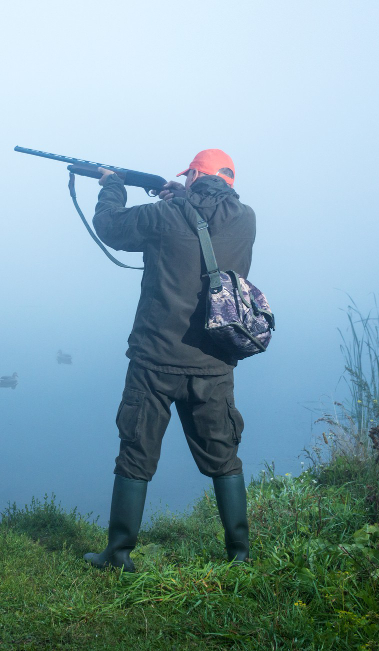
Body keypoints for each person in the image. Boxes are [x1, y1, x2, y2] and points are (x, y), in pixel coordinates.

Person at [83, 149, 255, 572]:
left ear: (194, 174)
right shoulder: (246, 218)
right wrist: (181, 194)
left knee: (136, 454)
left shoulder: (164, 217)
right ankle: (239, 555)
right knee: (224, 457)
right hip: (214, 362)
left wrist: (111, 186)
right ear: (229, 182)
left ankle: (118, 555)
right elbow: (206, 217)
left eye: (189, 176)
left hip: (155, 361)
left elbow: (110, 227)